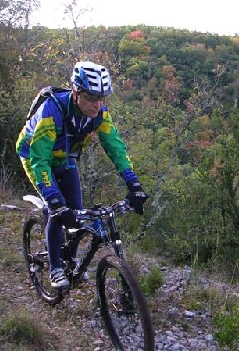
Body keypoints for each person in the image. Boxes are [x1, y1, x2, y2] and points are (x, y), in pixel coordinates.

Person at [16, 61, 148, 290]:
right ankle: (56, 268)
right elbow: (40, 161)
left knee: (76, 212)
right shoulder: (52, 111)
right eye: (92, 97)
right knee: (58, 210)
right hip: (34, 156)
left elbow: (115, 147)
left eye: (102, 98)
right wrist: (54, 200)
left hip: (65, 156)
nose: (98, 104)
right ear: (76, 93)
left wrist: (133, 183)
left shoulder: (99, 114)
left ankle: (71, 258)